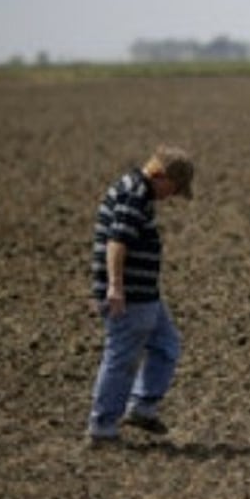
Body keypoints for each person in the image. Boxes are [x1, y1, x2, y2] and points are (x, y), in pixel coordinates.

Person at [87, 145, 194, 444]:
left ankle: (142, 407)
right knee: (121, 356)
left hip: (146, 295)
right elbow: (117, 242)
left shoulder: (139, 193)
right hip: (130, 295)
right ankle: (103, 426)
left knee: (166, 344)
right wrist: (115, 286)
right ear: (160, 175)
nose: (171, 196)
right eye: (174, 188)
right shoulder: (133, 194)